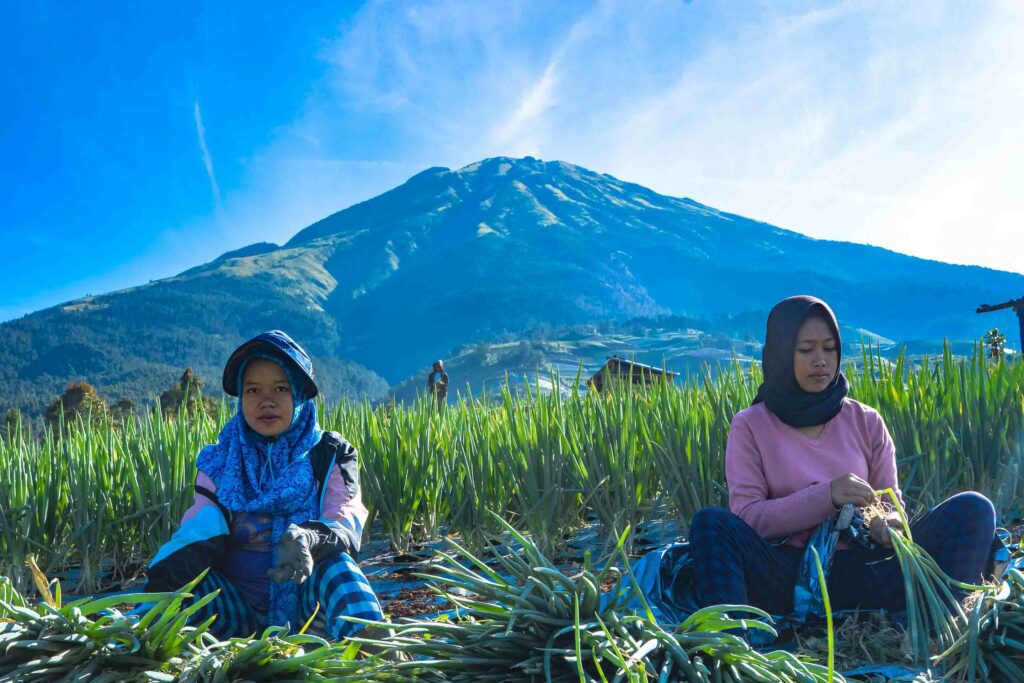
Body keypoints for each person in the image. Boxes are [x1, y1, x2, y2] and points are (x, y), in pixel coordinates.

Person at [689, 295, 996, 615]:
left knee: (973, 508)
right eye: (806, 350)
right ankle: (736, 645)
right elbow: (749, 518)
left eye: (829, 348)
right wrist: (827, 495)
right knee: (711, 524)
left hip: (871, 573)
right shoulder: (751, 425)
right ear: (781, 353)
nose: (820, 360)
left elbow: (890, 504)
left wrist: (886, 524)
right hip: (786, 578)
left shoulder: (866, 421)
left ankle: (949, 632)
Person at [144, 330, 383, 640]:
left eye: (281, 389)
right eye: (253, 390)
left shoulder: (329, 454)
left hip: (311, 612)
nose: (266, 401)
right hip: (238, 617)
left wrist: (308, 537)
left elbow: (345, 521)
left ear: (299, 394)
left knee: (339, 568)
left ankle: (377, 654)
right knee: (187, 586)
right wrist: (153, 596)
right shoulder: (220, 462)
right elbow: (198, 532)